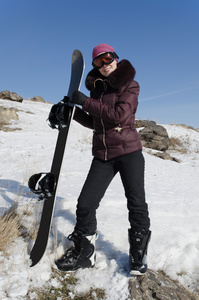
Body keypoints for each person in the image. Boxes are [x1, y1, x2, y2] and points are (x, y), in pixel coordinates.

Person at [49, 43, 151, 275]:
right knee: (85, 204)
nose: (104, 65)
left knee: (136, 204)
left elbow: (118, 116)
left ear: (116, 58)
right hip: (103, 155)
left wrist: (84, 102)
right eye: (98, 62)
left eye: (107, 59)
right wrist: (72, 112)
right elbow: (95, 121)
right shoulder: (97, 90)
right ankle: (85, 253)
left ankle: (138, 255)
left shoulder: (130, 85)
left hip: (129, 153)